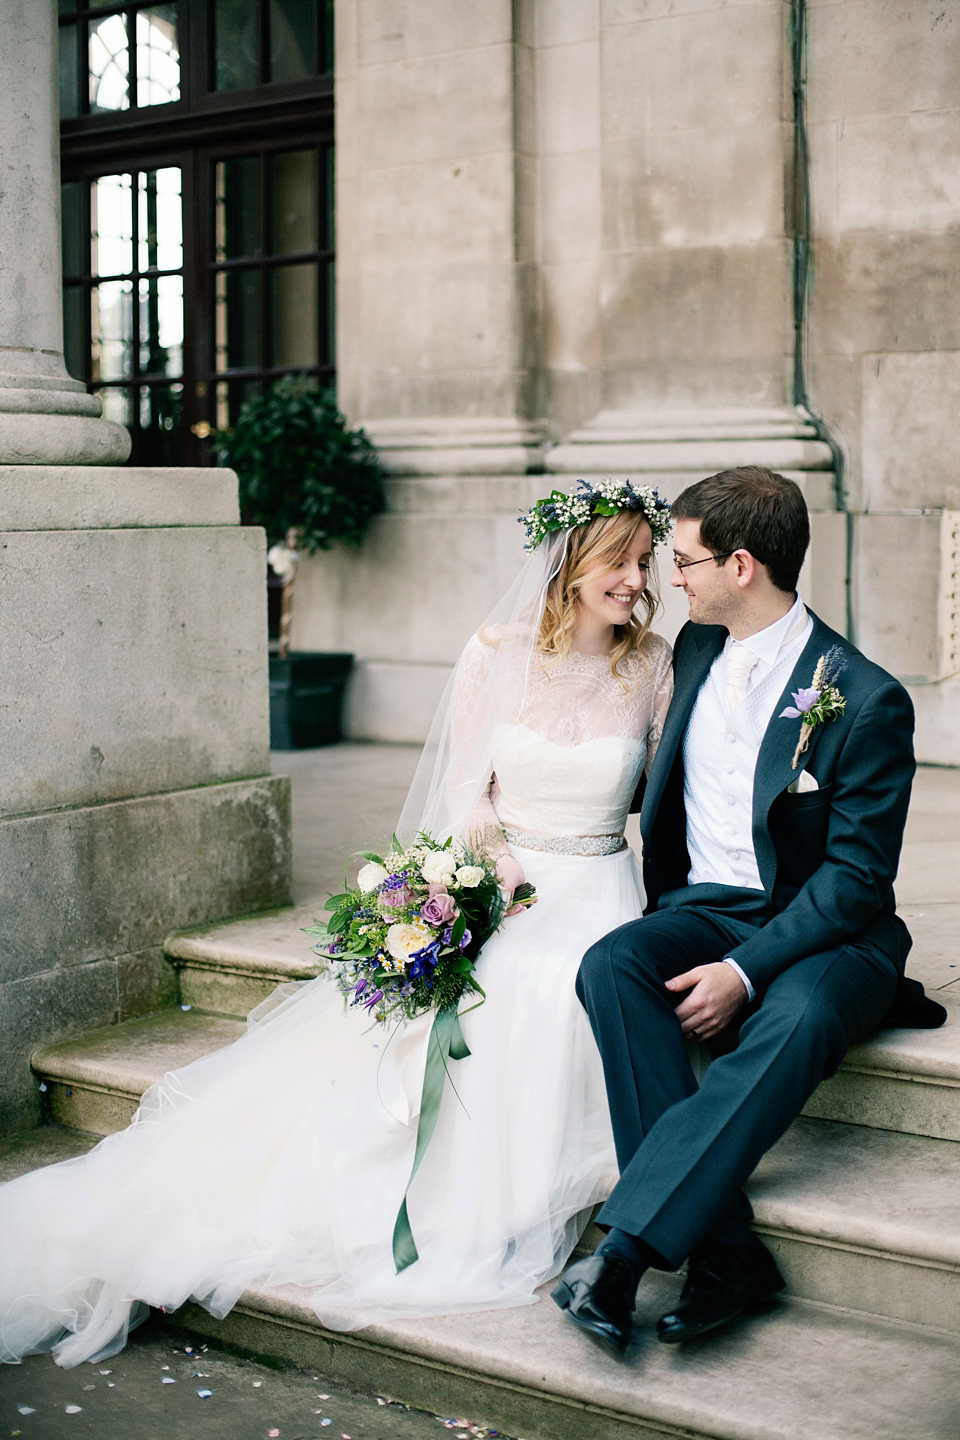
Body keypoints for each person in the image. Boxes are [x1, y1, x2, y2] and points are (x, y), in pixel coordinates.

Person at [0, 481, 674, 1368]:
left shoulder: (657, 663)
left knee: (568, 987)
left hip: (603, 888)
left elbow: (669, 807)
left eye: (643, 561)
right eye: (616, 561)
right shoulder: (494, 653)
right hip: (513, 881)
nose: (633, 579)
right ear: (570, 563)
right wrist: (496, 863)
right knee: (499, 991)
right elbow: (470, 791)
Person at [552, 464, 928, 1356]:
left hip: (830, 931)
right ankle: (730, 1257)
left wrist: (745, 971)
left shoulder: (865, 696)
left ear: (743, 566)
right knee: (612, 964)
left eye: (682, 561)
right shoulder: (692, 649)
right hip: (707, 905)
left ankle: (625, 1254)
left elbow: (856, 881)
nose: (668, 579)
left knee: (791, 1019)